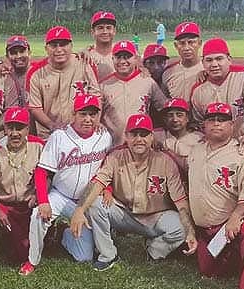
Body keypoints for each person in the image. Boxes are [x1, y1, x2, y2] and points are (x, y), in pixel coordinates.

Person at [72, 113, 197, 271]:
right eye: (134, 134)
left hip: (155, 216)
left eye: (144, 134)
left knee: (180, 226)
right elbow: (97, 182)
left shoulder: (165, 162)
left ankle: (154, 250)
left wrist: (190, 232)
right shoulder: (116, 157)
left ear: (152, 137)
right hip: (124, 214)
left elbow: (181, 201)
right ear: (126, 137)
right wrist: (79, 210)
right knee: (95, 204)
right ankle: (108, 254)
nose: (139, 139)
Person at [19, 94, 112, 276]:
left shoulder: (104, 136)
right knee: (38, 215)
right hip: (60, 195)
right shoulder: (59, 137)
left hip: (85, 201)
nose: (88, 119)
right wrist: (43, 201)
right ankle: (32, 260)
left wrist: (107, 189)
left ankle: (63, 234)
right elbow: (41, 171)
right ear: (74, 114)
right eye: (83, 114)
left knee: (83, 256)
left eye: (92, 114)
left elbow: (107, 168)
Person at [187, 102, 244, 289]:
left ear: (232, 125)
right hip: (207, 229)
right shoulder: (196, 150)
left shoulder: (242, 153)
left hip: (234, 220)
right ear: (204, 125)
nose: (216, 124)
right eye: (211, 119)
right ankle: (237, 257)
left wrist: (235, 217)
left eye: (222, 120)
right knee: (209, 271)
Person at [0, 107, 44, 267]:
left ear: (28, 128)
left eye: (20, 128)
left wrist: (38, 196)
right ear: (4, 128)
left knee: (21, 253)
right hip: (2, 204)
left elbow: (49, 175)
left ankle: (50, 235)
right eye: (10, 128)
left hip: (27, 206)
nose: (15, 133)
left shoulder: (39, 146)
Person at [190, 38, 244, 152]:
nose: (214, 64)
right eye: (209, 60)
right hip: (215, 147)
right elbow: (199, 122)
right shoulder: (197, 90)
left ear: (229, 59)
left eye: (219, 59)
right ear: (203, 63)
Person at [27, 26, 100, 139]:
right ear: (46, 48)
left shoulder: (84, 64)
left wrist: (95, 123)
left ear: (71, 46)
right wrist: (51, 125)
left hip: (81, 134)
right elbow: (35, 107)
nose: (59, 49)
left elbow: (96, 96)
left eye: (63, 44)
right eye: (54, 45)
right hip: (48, 135)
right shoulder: (36, 73)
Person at [99, 40, 166, 146]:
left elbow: (164, 109)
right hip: (112, 145)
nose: (122, 61)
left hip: (141, 145)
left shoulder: (147, 81)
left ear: (135, 58)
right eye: (118, 57)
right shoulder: (103, 85)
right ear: (112, 59)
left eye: (127, 57)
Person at [155, 98, 203, 171]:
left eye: (179, 115)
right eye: (170, 115)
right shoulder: (156, 135)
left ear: (187, 118)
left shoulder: (199, 138)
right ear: (165, 119)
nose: (175, 119)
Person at [160, 22, 203, 99]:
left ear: (199, 43)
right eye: (182, 43)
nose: (186, 48)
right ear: (176, 46)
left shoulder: (210, 69)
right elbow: (165, 103)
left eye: (191, 42)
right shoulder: (168, 73)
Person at [82, 11, 118, 81]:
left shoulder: (124, 53)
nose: (105, 31)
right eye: (100, 28)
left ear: (114, 31)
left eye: (108, 28)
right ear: (92, 32)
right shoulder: (85, 56)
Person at [4, 35, 32, 108]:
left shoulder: (39, 74)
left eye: (22, 51)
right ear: (7, 56)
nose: (18, 56)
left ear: (29, 52)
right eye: (13, 53)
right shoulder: (4, 76)